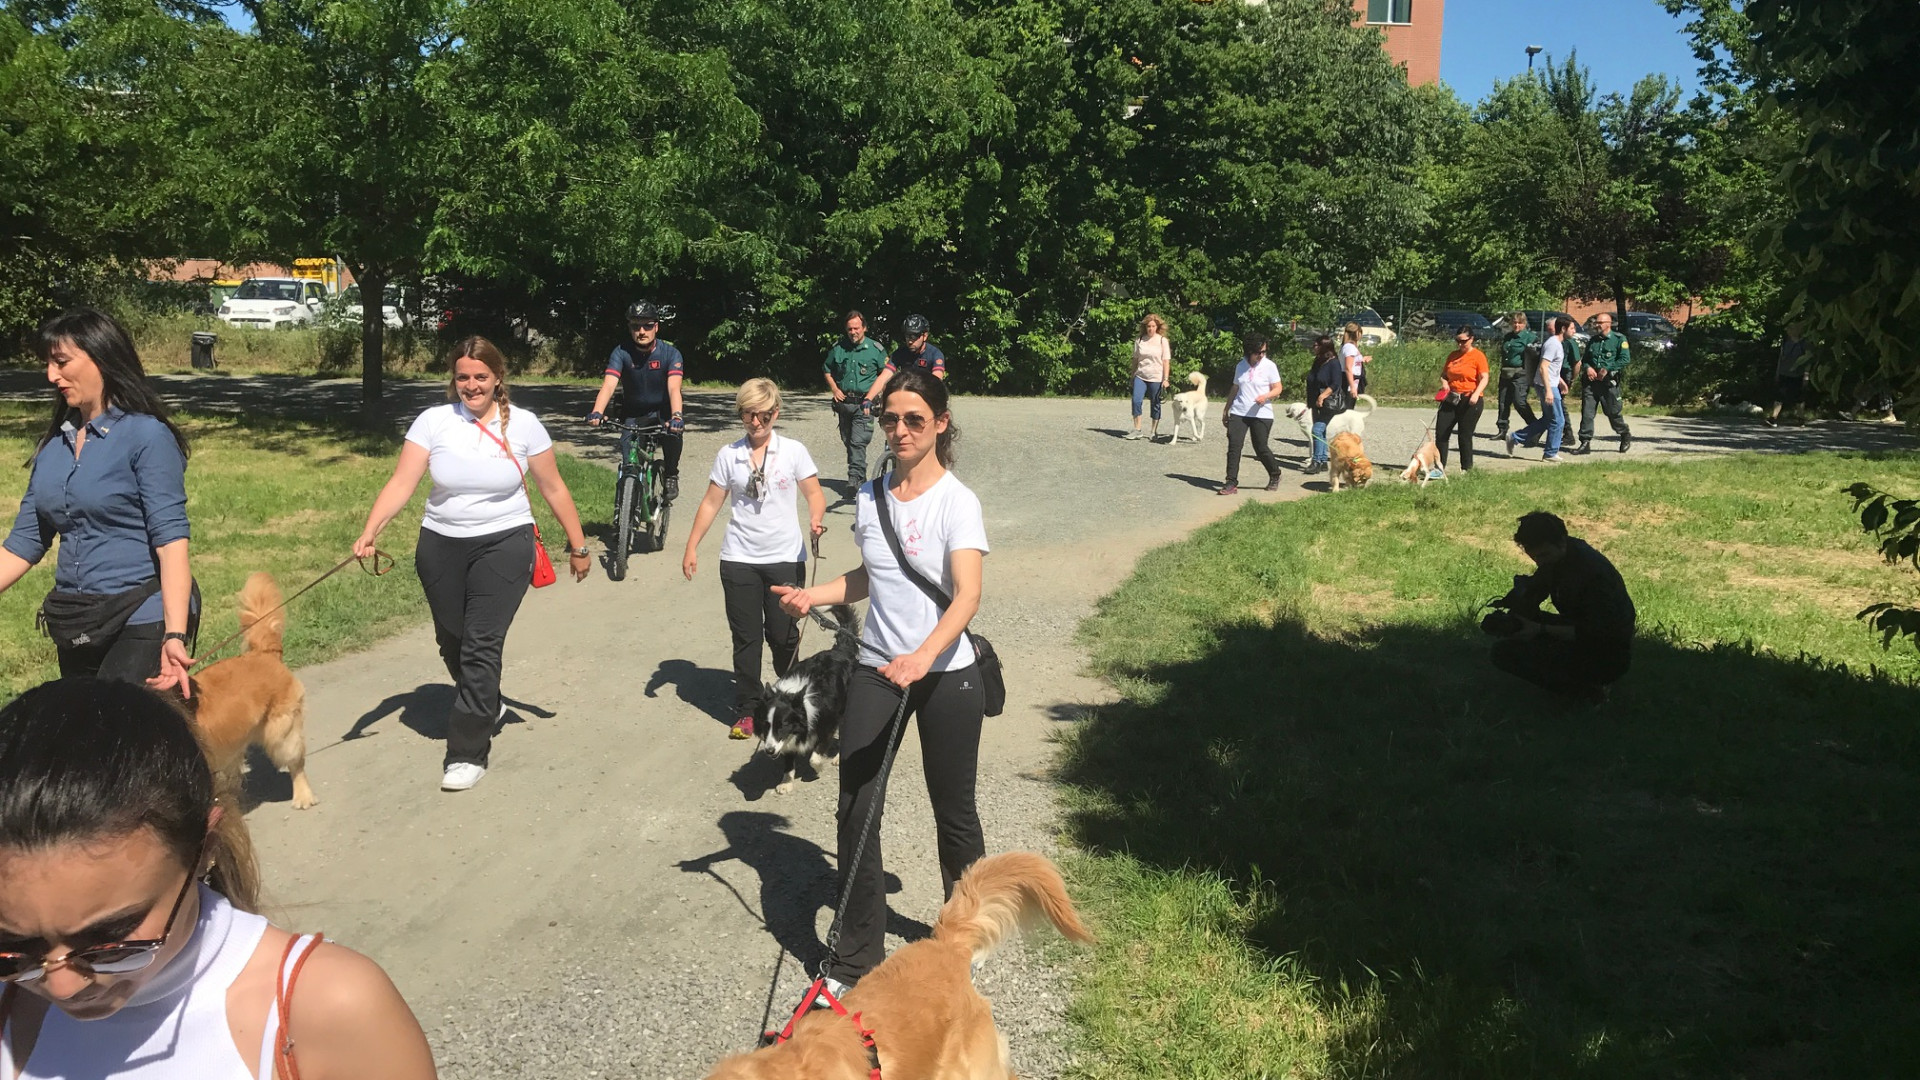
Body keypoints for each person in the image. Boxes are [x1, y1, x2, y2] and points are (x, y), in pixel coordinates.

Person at [0, 676, 437, 1078]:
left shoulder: (331, 1009)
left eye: (111, 938)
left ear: (203, 851)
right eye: (13, 948)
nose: (61, 983)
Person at [771, 366, 987, 995]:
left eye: (914, 418)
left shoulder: (957, 501)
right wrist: (815, 594)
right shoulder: (869, 495)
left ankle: (964, 933)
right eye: (890, 418)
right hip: (877, 670)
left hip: (946, 673)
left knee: (954, 810)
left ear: (940, 424)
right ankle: (853, 956)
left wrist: (922, 656)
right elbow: (870, 577)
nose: (899, 429)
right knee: (856, 805)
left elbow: (967, 596)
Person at [354, 337, 591, 793]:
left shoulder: (523, 426)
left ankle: (466, 752)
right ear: (453, 379)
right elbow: (402, 481)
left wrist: (578, 547)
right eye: (463, 377)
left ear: (497, 378)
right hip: (441, 543)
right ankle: (488, 701)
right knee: (452, 638)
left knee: (481, 644)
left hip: (505, 542)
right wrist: (372, 529)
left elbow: (554, 488)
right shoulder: (433, 422)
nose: (471, 385)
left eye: (480, 377)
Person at [0, 309, 197, 695]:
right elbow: (24, 543)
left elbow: (171, 542)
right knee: (82, 736)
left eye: (61, 362)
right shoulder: (53, 448)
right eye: (48, 364)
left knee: (112, 731)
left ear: (101, 358)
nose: (51, 376)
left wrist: (174, 633)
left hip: (141, 615)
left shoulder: (146, 436)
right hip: (78, 619)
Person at [681, 379, 828, 740]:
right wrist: (692, 546)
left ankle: (793, 700)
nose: (756, 422)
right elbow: (711, 502)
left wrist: (816, 518)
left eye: (763, 414)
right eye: (749, 414)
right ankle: (748, 710)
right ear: (741, 414)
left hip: (784, 558)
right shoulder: (728, 455)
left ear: (775, 413)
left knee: (782, 635)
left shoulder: (793, 451)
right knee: (746, 639)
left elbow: (814, 493)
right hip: (739, 559)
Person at [1488, 512, 1636, 704]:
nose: (1540, 562)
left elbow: (1598, 631)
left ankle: (1587, 692)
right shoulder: (1558, 557)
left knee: (1504, 654)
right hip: (1583, 630)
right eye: (1534, 557)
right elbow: (1538, 587)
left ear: (1561, 542)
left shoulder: (1591, 574)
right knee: (1520, 628)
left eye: (1543, 555)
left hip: (1607, 653)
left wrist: (1539, 629)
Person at [588, 300, 685, 502]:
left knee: (673, 435)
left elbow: (674, 388)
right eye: (635, 326)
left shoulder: (670, 354)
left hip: (663, 412)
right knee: (629, 464)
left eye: (648, 326)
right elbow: (608, 385)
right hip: (633, 414)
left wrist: (677, 415)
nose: (642, 331)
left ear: (656, 326)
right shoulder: (621, 353)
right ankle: (626, 510)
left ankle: (671, 474)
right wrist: (597, 411)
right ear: (629, 328)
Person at [822, 310, 888, 490]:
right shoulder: (839, 348)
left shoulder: (876, 350)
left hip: (864, 404)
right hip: (844, 404)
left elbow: (887, 373)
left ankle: (854, 480)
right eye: (850, 329)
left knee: (857, 442)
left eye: (857, 328)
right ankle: (860, 477)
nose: (853, 332)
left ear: (864, 328)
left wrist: (877, 395)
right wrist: (835, 389)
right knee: (848, 440)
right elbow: (827, 370)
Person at [1219, 333, 1283, 495]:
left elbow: (1278, 388)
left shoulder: (1269, 366)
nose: (1261, 355)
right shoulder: (1240, 366)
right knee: (1234, 445)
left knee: (1260, 447)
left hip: (1262, 413)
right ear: (1249, 351)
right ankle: (1231, 482)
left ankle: (1275, 473)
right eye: (1258, 352)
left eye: (1263, 352)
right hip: (1239, 411)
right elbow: (1235, 388)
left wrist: (1266, 396)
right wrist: (1227, 409)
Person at [1508, 317, 1572, 463]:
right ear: (1563, 329)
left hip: (1550, 383)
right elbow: (1543, 367)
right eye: (1572, 328)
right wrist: (1549, 390)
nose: (1574, 331)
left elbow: (1551, 367)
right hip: (1547, 386)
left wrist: (1560, 381)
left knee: (1548, 419)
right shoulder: (1553, 344)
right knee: (1558, 420)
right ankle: (1550, 453)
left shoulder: (1556, 343)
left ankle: (1515, 437)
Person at [1434, 327, 1490, 472]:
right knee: (1441, 433)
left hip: (1470, 399)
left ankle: (1466, 468)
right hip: (1451, 397)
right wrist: (1445, 383)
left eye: (1463, 341)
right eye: (1457, 341)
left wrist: (1476, 394)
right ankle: (1439, 468)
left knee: (1464, 435)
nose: (1460, 344)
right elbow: (1444, 374)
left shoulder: (1478, 356)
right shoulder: (1453, 355)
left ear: (1471, 339)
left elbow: (1484, 378)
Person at [1576, 312, 1633, 454]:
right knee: (1587, 413)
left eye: (1600, 323)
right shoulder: (1593, 340)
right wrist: (1588, 368)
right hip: (1591, 382)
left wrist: (1607, 369)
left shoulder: (1619, 339)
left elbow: (1625, 359)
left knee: (1613, 413)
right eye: (1596, 323)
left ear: (1608, 324)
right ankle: (1585, 442)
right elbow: (1586, 359)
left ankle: (1624, 433)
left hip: (1608, 383)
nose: (1597, 325)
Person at [1303, 335, 1348, 475]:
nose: (1314, 347)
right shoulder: (1318, 361)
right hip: (1315, 402)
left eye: (1316, 345)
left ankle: (1316, 461)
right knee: (1320, 431)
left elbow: (1336, 383)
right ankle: (1322, 461)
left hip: (1328, 402)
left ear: (1324, 347)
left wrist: (1322, 396)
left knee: (1316, 430)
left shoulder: (1334, 363)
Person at [1496, 310, 1540, 439]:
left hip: (1520, 373)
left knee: (1519, 402)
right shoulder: (1508, 336)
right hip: (1506, 372)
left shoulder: (1530, 337)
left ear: (1524, 324)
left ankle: (1534, 427)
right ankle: (1502, 429)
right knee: (1503, 402)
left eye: (1520, 323)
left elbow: (1534, 356)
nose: (1516, 326)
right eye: (1514, 323)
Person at [1128, 314, 1173, 441]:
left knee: (1155, 403)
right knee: (1136, 400)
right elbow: (1135, 359)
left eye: (1153, 326)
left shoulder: (1162, 341)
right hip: (1140, 375)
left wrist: (1166, 379)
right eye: (1148, 326)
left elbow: (1166, 361)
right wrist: (1132, 375)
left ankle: (1154, 431)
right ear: (1145, 327)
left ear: (1157, 327)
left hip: (1156, 377)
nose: (1151, 329)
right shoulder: (1140, 340)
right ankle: (1137, 429)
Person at [1767, 321, 1809, 427]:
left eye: (1790, 329)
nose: (1788, 331)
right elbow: (1780, 358)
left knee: (1799, 398)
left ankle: (1801, 418)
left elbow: (1807, 359)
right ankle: (1773, 418)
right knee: (1779, 396)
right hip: (1784, 373)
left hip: (1798, 374)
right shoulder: (1785, 342)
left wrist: (1806, 374)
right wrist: (1777, 372)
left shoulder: (1804, 343)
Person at [1340, 322, 1369, 397]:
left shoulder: (1351, 347)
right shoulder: (1349, 347)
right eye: (1360, 332)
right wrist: (1352, 386)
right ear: (1356, 333)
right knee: (1348, 407)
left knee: (1350, 405)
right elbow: (1348, 368)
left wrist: (1362, 359)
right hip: (1349, 380)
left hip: (1353, 379)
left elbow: (1353, 362)